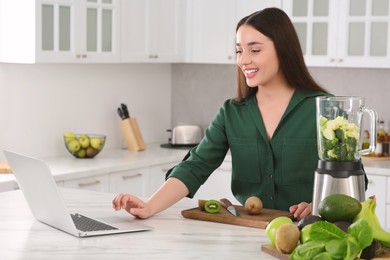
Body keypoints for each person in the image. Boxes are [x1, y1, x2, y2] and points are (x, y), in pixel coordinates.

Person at [112, 7, 329, 221]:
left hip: (309, 233)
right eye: (239, 50)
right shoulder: (231, 113)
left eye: (254, 50)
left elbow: (351, 180)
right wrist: (149, 206)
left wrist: (318, 205)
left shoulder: (323, 109)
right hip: (246, 234)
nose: (243, 60)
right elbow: (195, 166)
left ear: (283, 50)